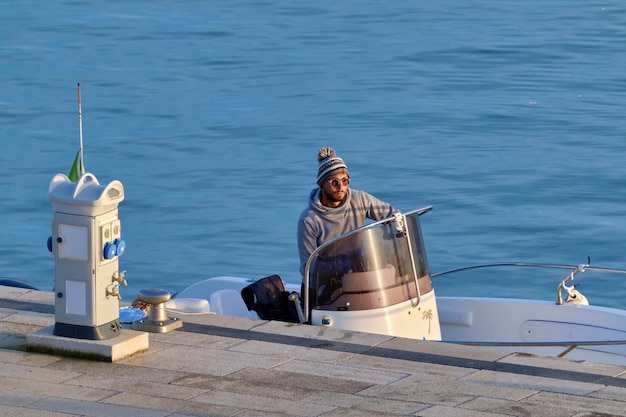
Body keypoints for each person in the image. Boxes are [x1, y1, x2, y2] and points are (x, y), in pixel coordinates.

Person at [297, 147, 398, 277]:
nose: (341, 187)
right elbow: (308, 267)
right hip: (324, 286)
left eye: (345, 181)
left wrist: (399, 231)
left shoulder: (360, 199)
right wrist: (347, 266)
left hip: (358, 276)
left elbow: (392, 215)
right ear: (322, 184)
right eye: (334, 182)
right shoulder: (308, 220)